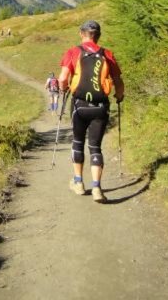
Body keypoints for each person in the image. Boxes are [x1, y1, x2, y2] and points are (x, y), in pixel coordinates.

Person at [57, 20, 124, 203]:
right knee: (95, 146)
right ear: (99, 35)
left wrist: (63, 90)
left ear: (81, 34)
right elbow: (118, 81)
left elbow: (63, 79)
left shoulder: (73, 52)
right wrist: (119, 96)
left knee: (78, 142)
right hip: (100, 106)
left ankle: (78, 183)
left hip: (79, 105)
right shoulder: (107, 54)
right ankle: (97, 188)